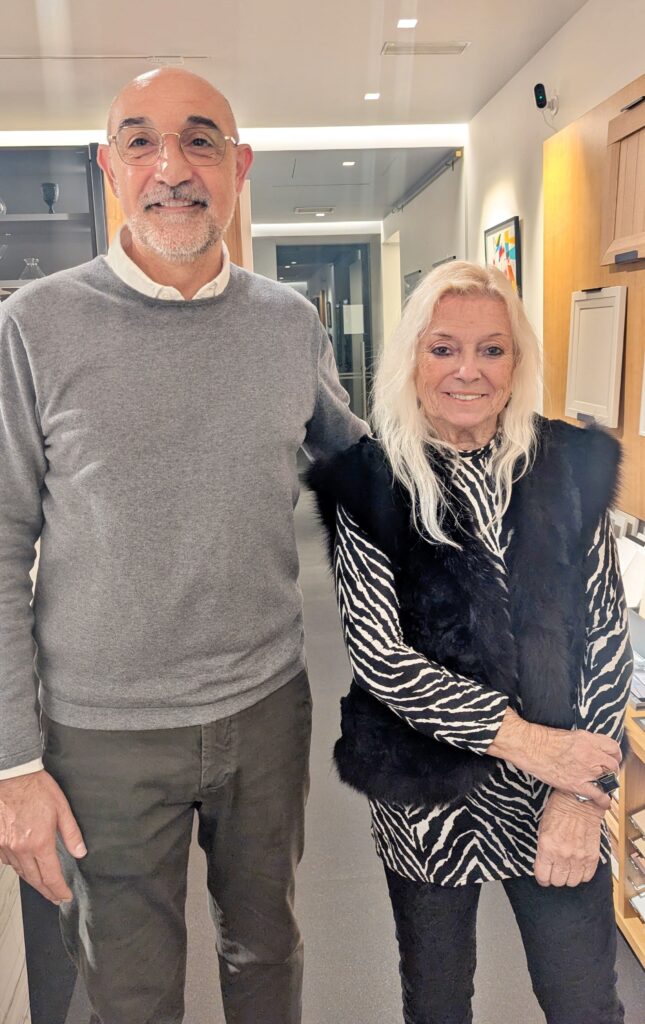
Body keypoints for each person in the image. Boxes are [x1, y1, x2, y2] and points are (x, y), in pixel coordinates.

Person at [0, 67, 367, 1024]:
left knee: (267, 954)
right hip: (102, 734)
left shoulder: (287, 323)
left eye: (201, 140)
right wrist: (12, 765)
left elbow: (362, 472)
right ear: (109, 167)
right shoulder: (34, 326)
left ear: (238, 167)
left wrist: (492, 442)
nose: (172, 167)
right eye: (141, 142)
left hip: (264, 709)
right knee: (128, 993)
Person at [308, 260, 632, 1024]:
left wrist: (576, 794)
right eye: (443, 348)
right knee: (437, 1002)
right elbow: (381, 657)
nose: (467, 370)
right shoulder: (368, 481)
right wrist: (531, 745)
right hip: (428, 790)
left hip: (558, 788)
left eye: (491, 349)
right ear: (411, 359)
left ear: (516, 362)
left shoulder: (569, 465)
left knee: (584, 1000)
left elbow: (605, 632)